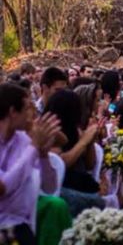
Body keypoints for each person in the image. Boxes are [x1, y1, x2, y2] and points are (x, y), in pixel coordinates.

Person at [0, 84, 61, 245]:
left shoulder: (23, 141)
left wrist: (43, 155)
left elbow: (50, 187)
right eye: (27, 108)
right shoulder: (30, 144)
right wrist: (34, 148)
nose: (32, 115)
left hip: (20, 226)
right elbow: (3, 187)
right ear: (13, 112)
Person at [44, 90, 104, 217]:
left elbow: (89, 164)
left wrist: (90, 141)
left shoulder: (76, 130)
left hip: (79, 181)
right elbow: (60, 163)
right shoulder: (51, 132)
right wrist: (83, 142)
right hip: (62, 186)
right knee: (96, 202)